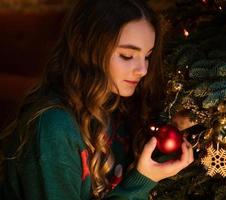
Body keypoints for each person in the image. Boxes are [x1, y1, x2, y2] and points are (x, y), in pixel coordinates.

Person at [0, 0, 194, 199]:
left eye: (147, 56)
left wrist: (172, 130)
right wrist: (140, 181)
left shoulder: (115, 104)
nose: (143, 70)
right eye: (127, 56)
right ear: (88, 51)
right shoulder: (52, 128)